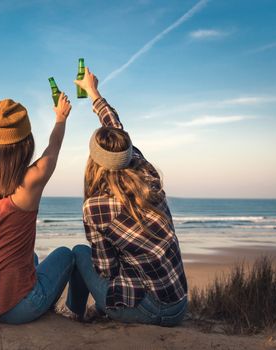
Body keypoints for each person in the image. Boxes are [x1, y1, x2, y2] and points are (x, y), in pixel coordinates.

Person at [66, 67, 188, 326]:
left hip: (151, 312)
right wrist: (93, 92)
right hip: (179, 305)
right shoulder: (146, 172)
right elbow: (117, 129)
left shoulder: (96, 207)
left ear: (92, 160)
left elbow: (106, 269)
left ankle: (74, 314)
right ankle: (90, 311)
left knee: (78, 253)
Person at [0, 94, 74, 324]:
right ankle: (76, 315)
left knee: (32, 257)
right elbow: (54, 146)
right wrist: (61, 117)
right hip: (20, 308)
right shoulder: (32, 178)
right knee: (67, 255)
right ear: (26, 141)